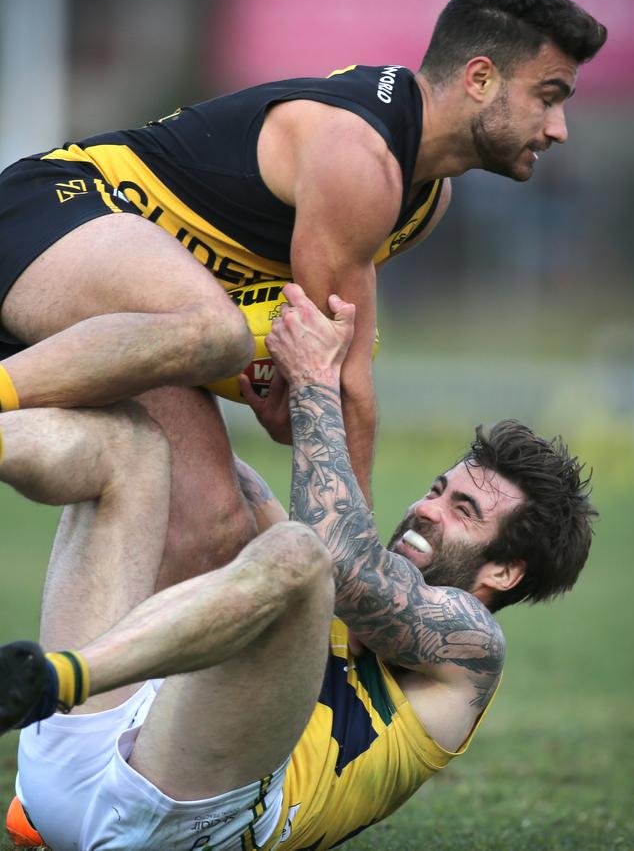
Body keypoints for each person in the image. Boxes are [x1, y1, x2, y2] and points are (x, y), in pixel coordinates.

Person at [0, 0, 607, 590]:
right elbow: (348, 386)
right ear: (480, 78)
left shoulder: (423, 202)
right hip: (56, 209)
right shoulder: (359, 156)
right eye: (547, 97)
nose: (559, 129)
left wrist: (292, 400)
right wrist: (358, 576)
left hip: (139, 316)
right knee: (214, 331)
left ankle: (67, 686)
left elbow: (318, 355)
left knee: (213, 529)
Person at [0, 284, 596, 850]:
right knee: (139, 439)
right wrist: (240, 393)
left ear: (505, 573)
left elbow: (334, 558)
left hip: (181, 822)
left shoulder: (472, 649)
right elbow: (213, 476)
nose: (425, 507)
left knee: (300, 552)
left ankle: (51, 678)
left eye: (462, 510)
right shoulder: (308, 583)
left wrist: (317, 385)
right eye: (437, 489)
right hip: (78, 756)